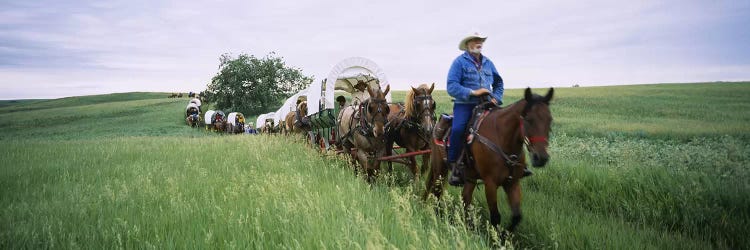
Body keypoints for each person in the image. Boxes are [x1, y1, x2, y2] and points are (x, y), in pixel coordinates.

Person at [446, 31, 532, 186]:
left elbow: (499, 83)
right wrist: (473, 92)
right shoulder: (459, 62)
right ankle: (455, 165)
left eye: (480, 40)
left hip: (488, 104)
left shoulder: (488, 63)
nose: (479, 42)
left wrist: (496, 98)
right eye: (475, 40)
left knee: (508, 127)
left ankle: (518, 165)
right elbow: (451, 86)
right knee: (458, 129)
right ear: (468, 44)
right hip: (465, 105)